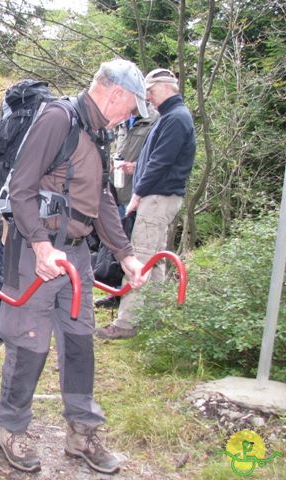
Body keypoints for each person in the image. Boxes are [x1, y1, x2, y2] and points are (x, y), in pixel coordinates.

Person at [0, 59, 150, 475]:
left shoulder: (99, 132)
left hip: (76, 254)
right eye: (131, 106)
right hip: (36, 251)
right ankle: (10, 427)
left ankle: (82, 434)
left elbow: (101, 199)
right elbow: (22, 189)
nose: (130, 115)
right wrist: (41, 246)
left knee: (80, 342)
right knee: (29, 342)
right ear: (115, 92)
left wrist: (125, 254)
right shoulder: (57, 119)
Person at [96, 68, 196, 340]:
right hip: (160, 195)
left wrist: (137, 195)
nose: (148, 98)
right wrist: (135, 169)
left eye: (150, 92)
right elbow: (160, 158)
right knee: (156, 258)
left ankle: (126, 323)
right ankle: (152, 316)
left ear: (166, 88)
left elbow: (161, 163)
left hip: (156, 197)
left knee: (139, 257)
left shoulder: (175, 118)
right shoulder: (171, 117)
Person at [94, 104, 158, 309]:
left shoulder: (155, 121)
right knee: (117, 246)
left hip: (140, 195)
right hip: (116, 193)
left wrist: (136, 167)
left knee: (136, 248)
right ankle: (116, 294)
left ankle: (138, 304)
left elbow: (161, 159)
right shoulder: (122, 122)